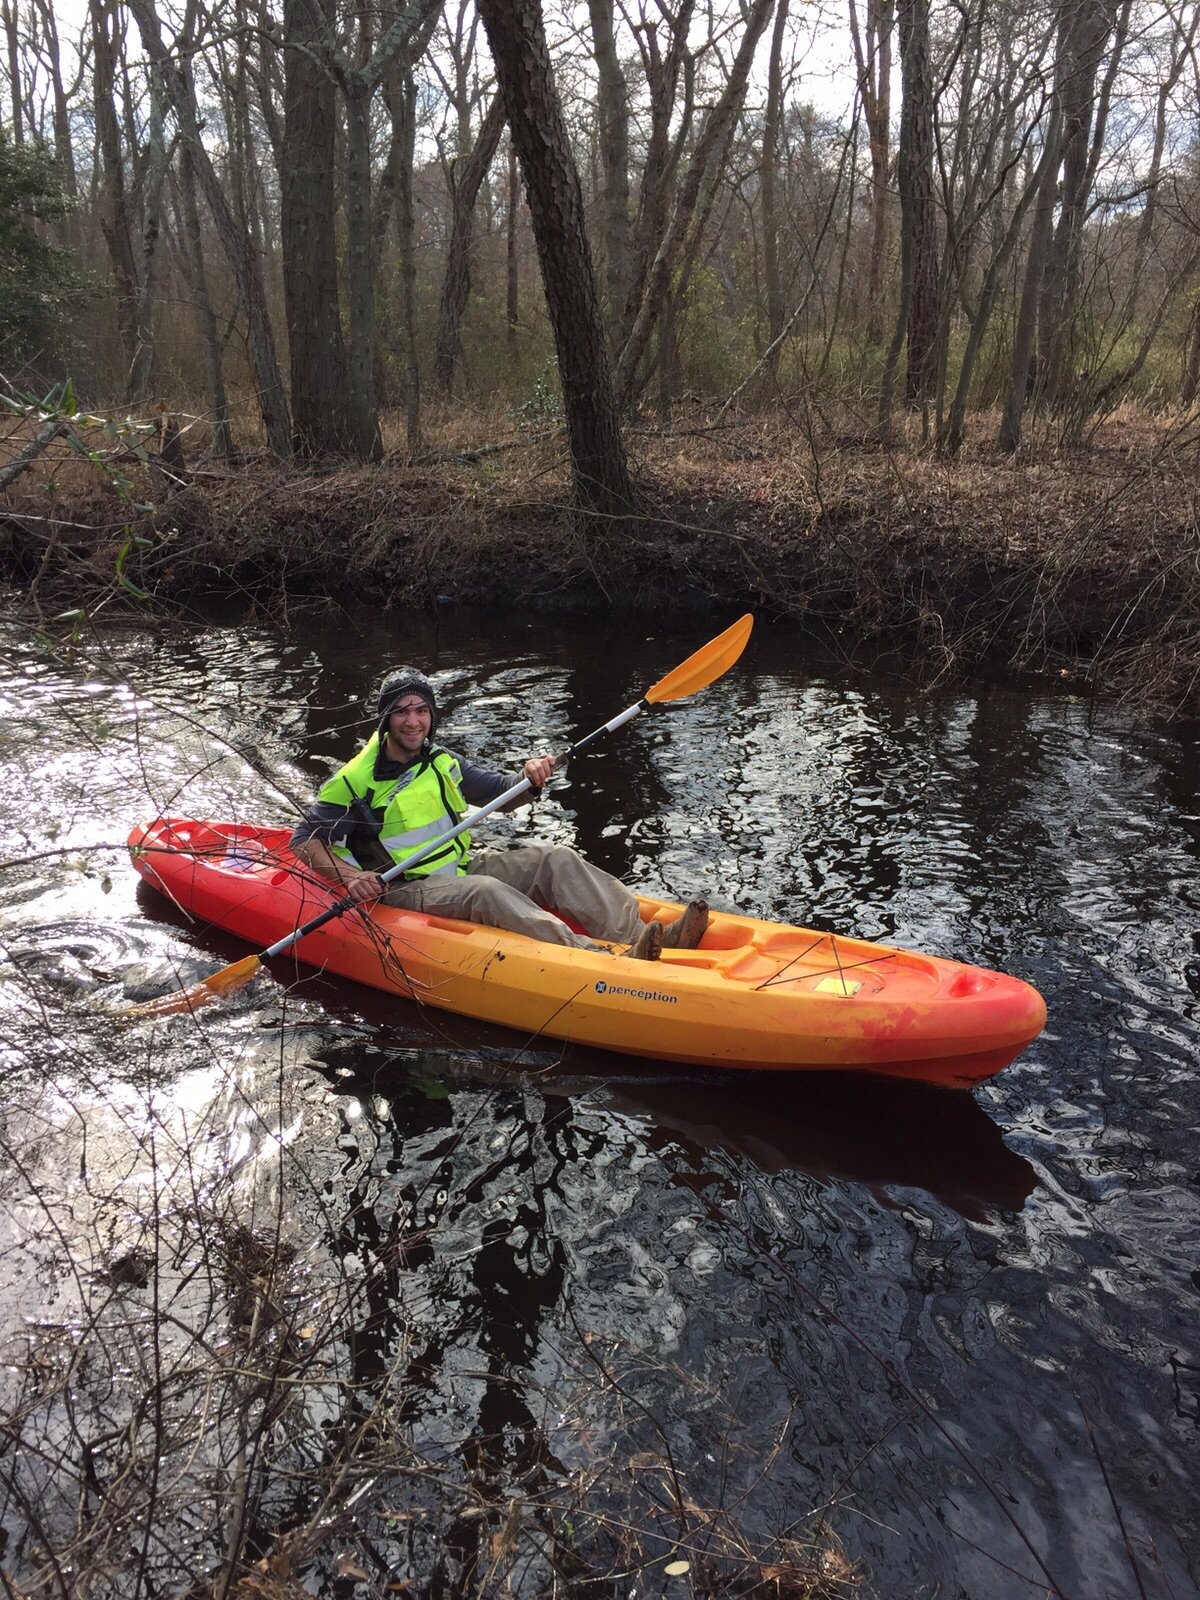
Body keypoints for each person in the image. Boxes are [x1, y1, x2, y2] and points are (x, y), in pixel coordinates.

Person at [290, 667, 709, 961]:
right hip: (405, 885)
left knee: (554, 858)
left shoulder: (440, 760)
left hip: (461, 863)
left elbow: (502, 794)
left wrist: (531, 777)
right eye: (402, 711)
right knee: (484, 890)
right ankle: (594, 958)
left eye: (421, 710)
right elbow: (304, 840)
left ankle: (642, 937)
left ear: (431, 715)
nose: (413, 721)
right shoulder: (353, 782)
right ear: (386, 719)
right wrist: (350, 879)